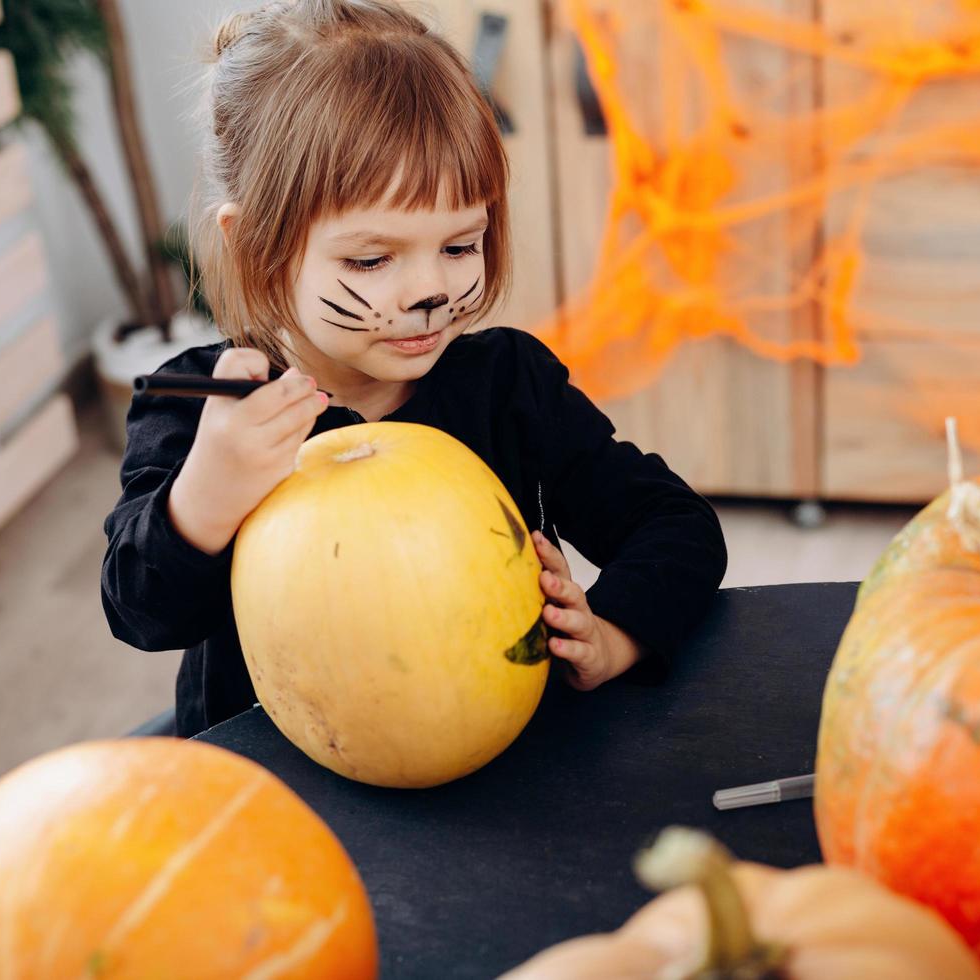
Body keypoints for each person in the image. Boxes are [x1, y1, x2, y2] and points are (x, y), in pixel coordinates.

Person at [102, 0, 727, 737]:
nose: (431, 291)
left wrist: (615, 631)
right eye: (372, 259)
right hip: (276, 785)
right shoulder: (209, 415)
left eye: (460, 246)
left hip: (492, 761)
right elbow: (139, 611)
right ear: (252, 248)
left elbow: (678, 526)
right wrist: (208, 497)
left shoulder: (508, 385)